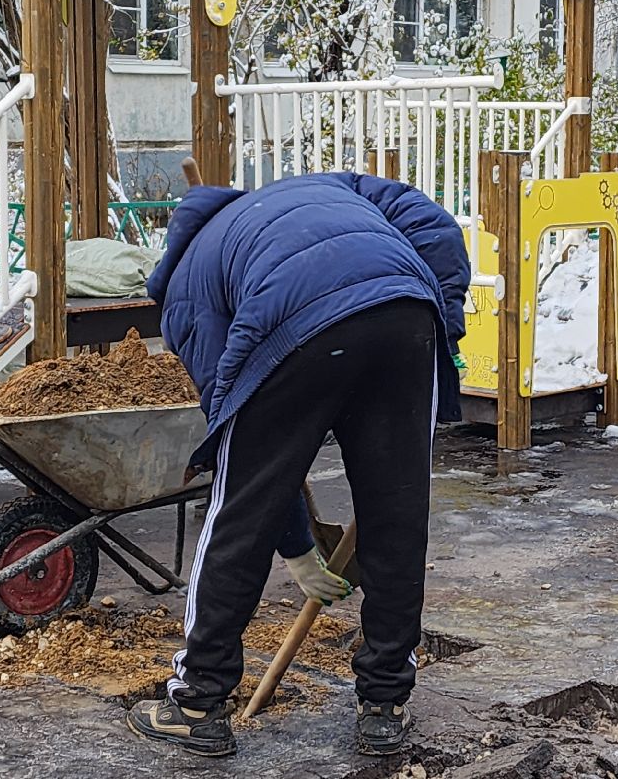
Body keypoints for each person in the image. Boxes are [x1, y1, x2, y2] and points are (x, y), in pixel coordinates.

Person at [125, 172, 469, 758]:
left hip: (296, 321)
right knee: (397, 512)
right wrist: (444, 321)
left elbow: (244, 457)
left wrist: (295, 548)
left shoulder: (184, 286)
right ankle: (384, 706)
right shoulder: (325, 187)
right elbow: (432, 225)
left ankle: (197, 702)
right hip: (406, 311)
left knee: (237, 509)